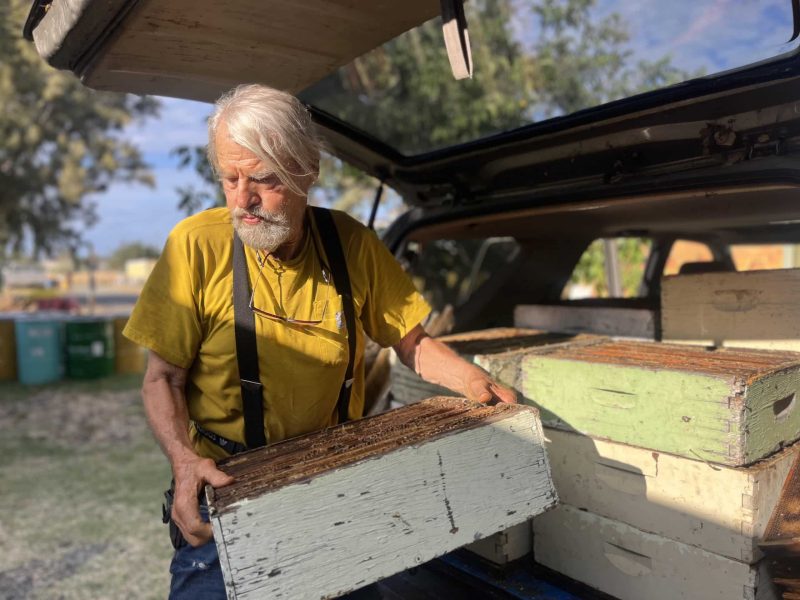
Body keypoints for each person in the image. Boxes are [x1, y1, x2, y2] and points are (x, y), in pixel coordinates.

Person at [124, 83, 516, 599]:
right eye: (230, 177)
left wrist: (473, 381)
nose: (244, 200)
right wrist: (183, 461)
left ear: (307, 171)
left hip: (334, 485)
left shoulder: (353, 244)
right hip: (227, 492)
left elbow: (412, 342)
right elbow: (162, 378)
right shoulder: (195, 247)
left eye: (264, 179)